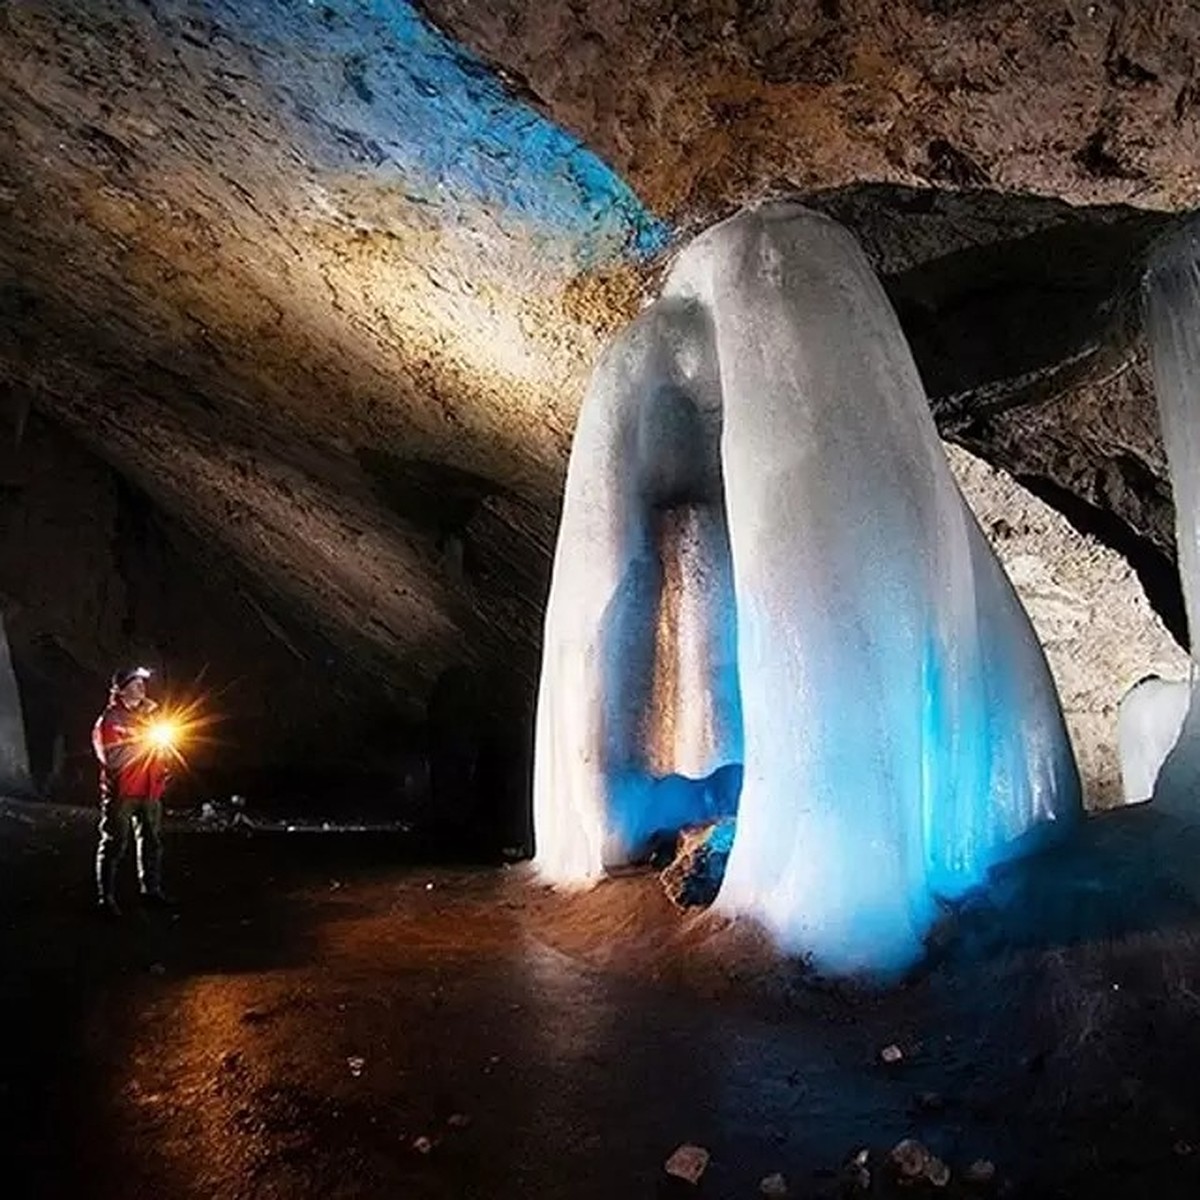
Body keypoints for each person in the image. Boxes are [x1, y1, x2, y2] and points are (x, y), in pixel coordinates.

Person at [92, 666, 173, 916]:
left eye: (143, 683)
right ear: (122, 689)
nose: (142, 688)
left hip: (150, 790)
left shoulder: (149, 717)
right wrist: (146, 741)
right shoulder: (110, 720)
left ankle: (151, 891)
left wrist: (164, 766)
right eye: (136, 683)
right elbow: (113, 758)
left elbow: (165, 746)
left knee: (152, 843)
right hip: (123, 792)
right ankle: (106, 898)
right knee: (115, 843)